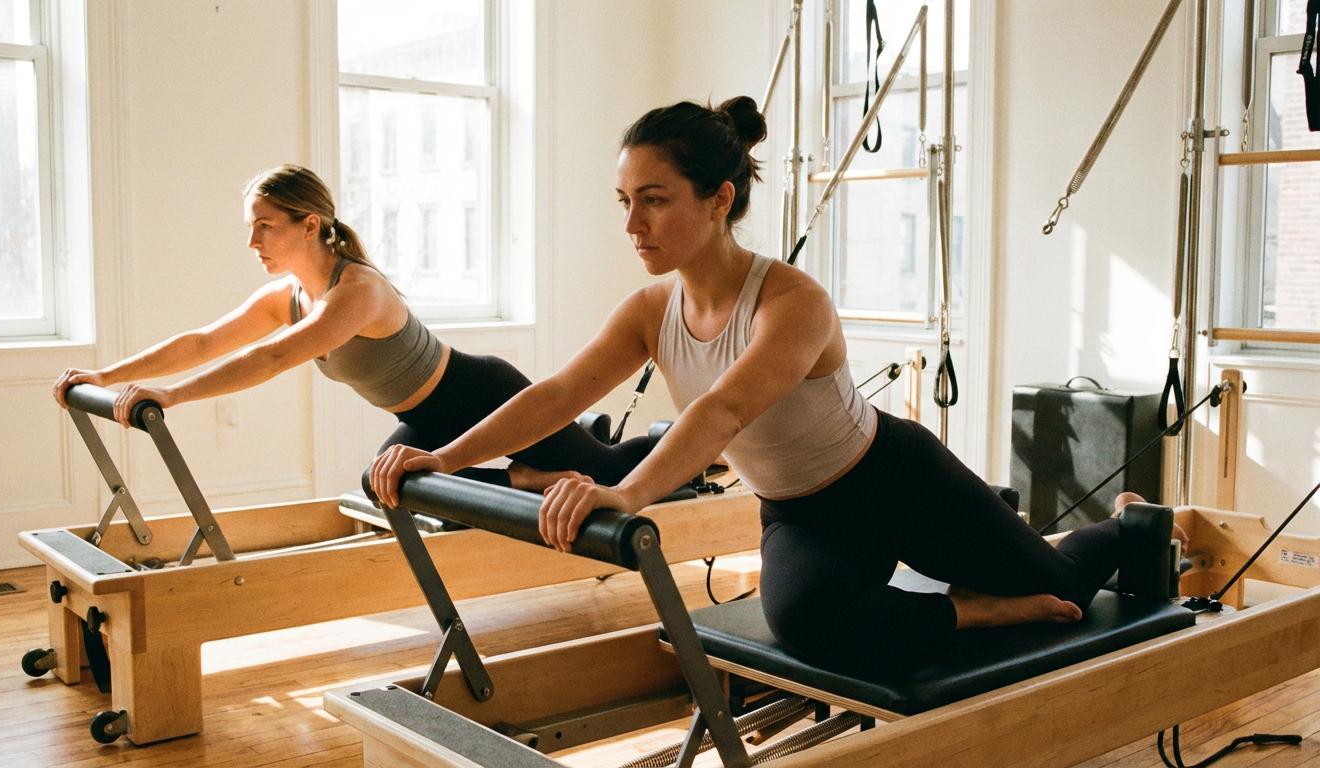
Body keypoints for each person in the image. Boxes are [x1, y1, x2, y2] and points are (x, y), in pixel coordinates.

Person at [368, 98, 1175, 667]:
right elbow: (556, 396)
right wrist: (443, 458)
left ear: (719, 200)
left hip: (895, 481)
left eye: (654, 201)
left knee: (1063, 588)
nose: (633, 225)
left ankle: (1128, 523)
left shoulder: (792, 301)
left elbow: (724, 409)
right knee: (807, 623)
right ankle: (973, 608)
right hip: (801, 510)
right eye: (625, 202)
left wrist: (627, 493)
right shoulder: (651, 311)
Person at [53, 164, 652, 494]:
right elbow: (204, 341)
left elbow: (271, 359)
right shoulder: (288, 297)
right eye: (250, 227)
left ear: (310, 224)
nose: (252, 241)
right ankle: (528, 475)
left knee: (613, 472)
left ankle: (684, 442)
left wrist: (173, 395)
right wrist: (106, 375)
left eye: (264, 226)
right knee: (382, 481)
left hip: (483, 396)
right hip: (431, 419)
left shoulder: (357, 292)